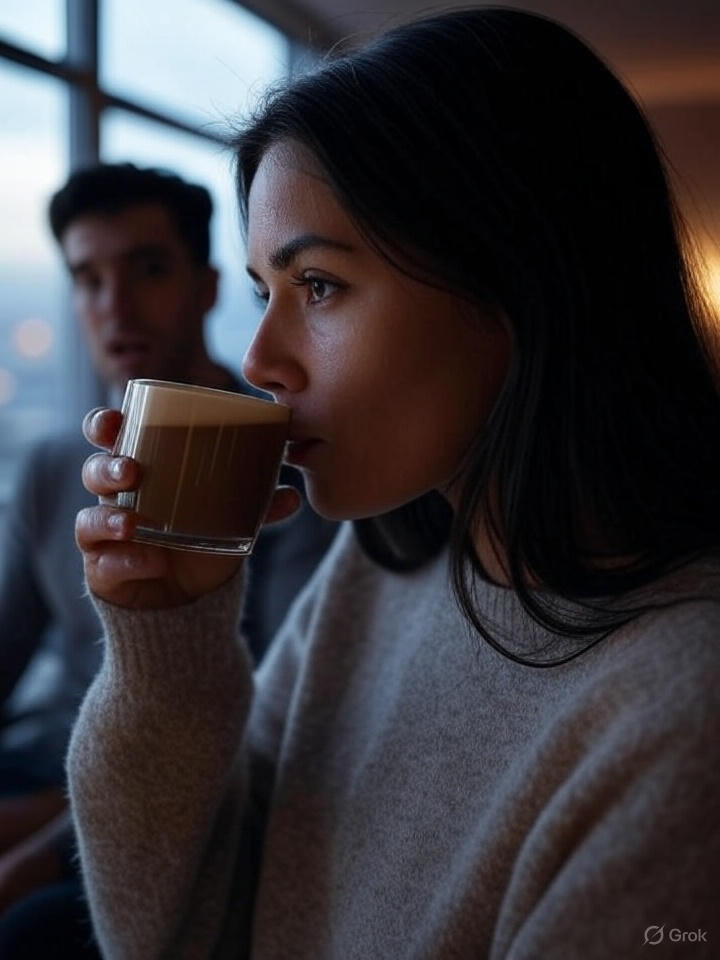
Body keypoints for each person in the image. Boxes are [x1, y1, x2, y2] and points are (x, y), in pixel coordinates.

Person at [68, 9, 719, 958]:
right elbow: (183, 934)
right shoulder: (384, 568)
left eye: (320, 287)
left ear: (515, 277)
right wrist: (165, 649)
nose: (259, 360)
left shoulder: (681, 719)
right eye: (265, 293)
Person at [0, 164, 337, 950]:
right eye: (88, 278)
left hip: (159, 799)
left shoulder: (281, 461)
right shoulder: (56, 466)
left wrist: (32, 845)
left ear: (209, 287)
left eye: (147, 270)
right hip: (37, 767)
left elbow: (263, 729)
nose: (112, 306)